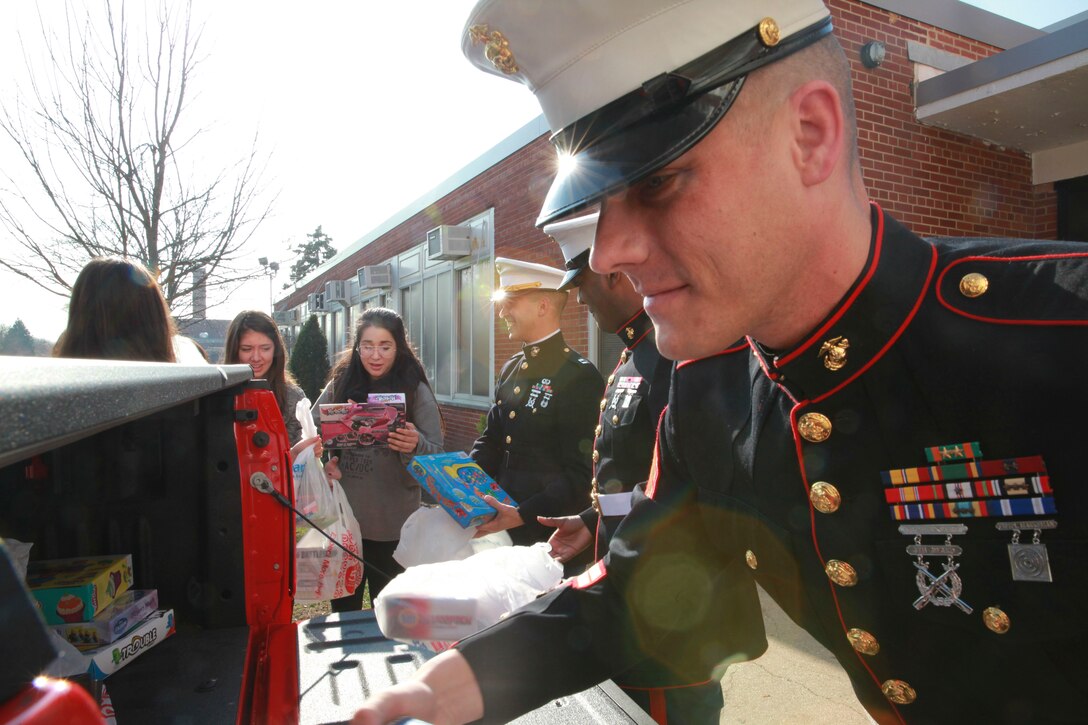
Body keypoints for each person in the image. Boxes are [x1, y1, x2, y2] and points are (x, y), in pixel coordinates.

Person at [353, 1, 1088, 724]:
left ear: (810, 136)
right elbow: (627, 595)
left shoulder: (1061, 329)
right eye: (601, 204)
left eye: (657, 182)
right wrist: (435, 690)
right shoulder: (712, 390)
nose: (608, 252)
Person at [541, 211, 725, 724]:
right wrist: (591, 521)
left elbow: (683, 492)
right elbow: (635, 479)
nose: (579, 299)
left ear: (616, 276)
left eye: (583, 284)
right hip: (629, 588)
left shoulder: (675, 355)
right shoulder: (635, 353)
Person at [313, 308, 444, 610]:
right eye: (367, 346)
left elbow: (439, 457)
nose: (375, 355)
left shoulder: (414, 390)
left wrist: (416, 443)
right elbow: (311, 432)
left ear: (399, 347)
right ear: (357, 346)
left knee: (391, 619)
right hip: (347, 526)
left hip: (397, 530)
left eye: (385, 346)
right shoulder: (341, 382)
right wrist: (326, 461)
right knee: (344, 617)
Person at [469, 258, 604, 547]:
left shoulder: (579, 376)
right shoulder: (511, 367)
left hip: (544, 539)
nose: (502, 311)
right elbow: (492, 440)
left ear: (543, 306)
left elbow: (581, 474)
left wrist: (521, 514)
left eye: (510, 302)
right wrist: (460, 482)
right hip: (497, 529)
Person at [225, 310, 307, 446]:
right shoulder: (215, 395)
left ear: (276, 349)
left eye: (265, 348)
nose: (256, 357)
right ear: (234, 350)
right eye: (246, 349)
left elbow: (301, 457)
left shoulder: (293, 397)